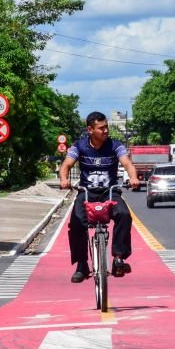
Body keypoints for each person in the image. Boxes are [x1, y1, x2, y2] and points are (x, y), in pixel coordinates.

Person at [59, 111, 140, 283]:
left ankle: (119, 258)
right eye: (101, 128)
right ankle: (82, 265)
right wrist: (64, 179)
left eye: (106, 127)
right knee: (76, 223)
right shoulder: (79, 146)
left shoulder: (115, 145)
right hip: (87, 193)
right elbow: (66, 164)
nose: (105, 131)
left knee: (124, 215)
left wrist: (133, 177)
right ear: (90, 129)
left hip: (109, 192)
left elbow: (127, 163)